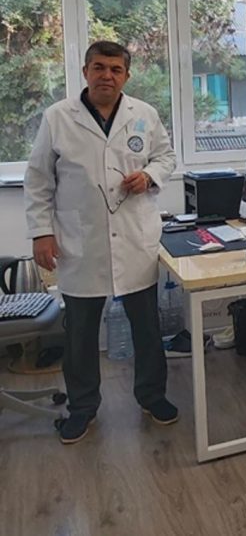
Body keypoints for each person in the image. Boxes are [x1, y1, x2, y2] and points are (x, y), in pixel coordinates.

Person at [24, 41, 178, 444]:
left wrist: (150, 176)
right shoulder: (58, 117)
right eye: (99, 67)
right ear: (85, 72)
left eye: (115, 69)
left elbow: (166, 157)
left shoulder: (144, 114)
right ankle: (82, 408)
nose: (107, 75)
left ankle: (152, 396)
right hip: (81, 242)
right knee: (80, 335)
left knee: (147, 328)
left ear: (126, 75)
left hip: (134, 240)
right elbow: (38, 179)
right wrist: (41, 232)